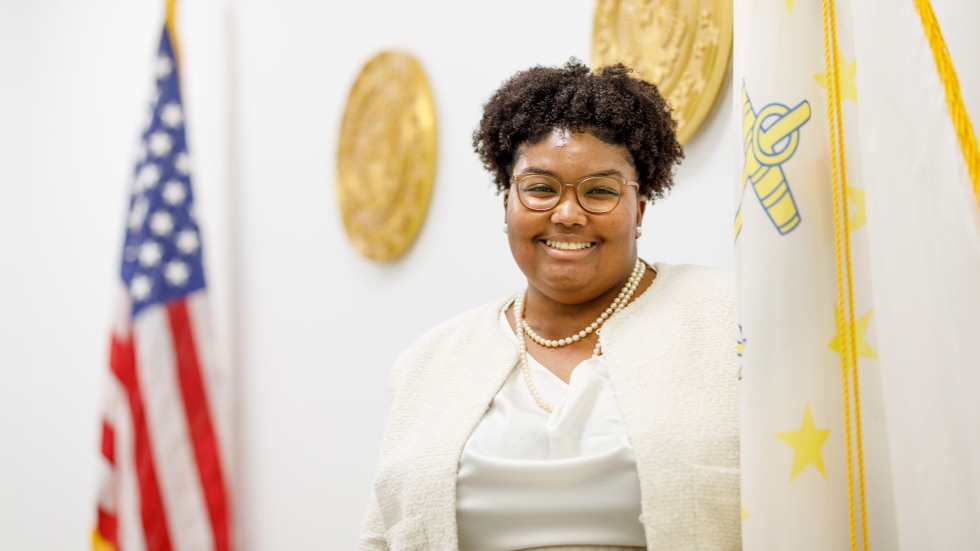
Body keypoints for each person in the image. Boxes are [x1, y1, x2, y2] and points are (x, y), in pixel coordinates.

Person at [359, 60, 740, 550]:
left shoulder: (728, 319)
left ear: (639, 209)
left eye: (600, 192)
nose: (567, 214)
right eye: (539, 188)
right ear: (507, 205)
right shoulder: (431, 361)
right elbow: (380, 536)